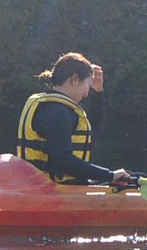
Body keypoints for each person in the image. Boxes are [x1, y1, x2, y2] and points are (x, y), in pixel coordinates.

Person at [15, 52, 139, 190]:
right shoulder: (57, 112)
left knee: (134, 177)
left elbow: (92, 127)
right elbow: (64, 161)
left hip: (56, 185)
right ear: (75, 80)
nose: (87, 93)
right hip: (53, 189)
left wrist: (98, 92)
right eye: (87, 84)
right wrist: (110, 175)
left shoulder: (55, 107)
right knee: (135, 182)